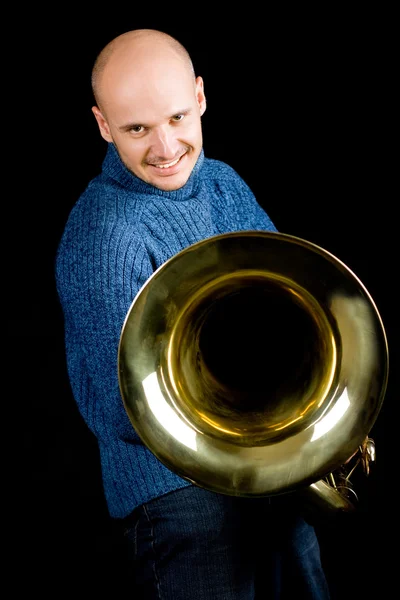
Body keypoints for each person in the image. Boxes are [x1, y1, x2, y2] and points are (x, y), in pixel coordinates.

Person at [55, 28, 331, 599]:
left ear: (201, 97)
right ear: (103, 125)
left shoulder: (223, 182)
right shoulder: (104, 233)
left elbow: (290, 307)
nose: (165, 148)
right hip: (176, 491)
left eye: (178, 118)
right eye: (136, 128)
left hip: (261, 463)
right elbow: (116, 409)